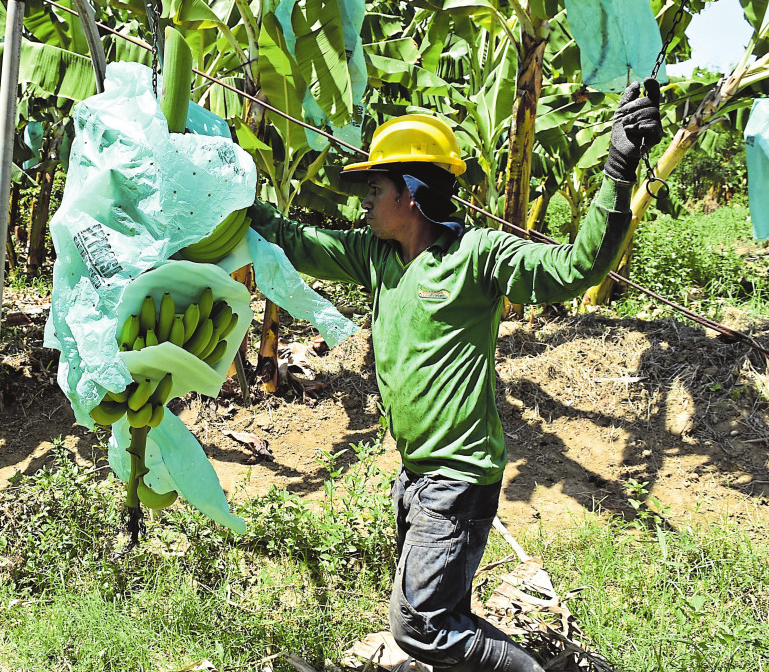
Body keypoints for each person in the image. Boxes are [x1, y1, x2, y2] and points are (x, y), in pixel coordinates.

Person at [246, 81, 663, 671]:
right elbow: (297, 242)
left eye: (374, 189)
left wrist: (619, 166)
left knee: (422, 627)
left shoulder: (477, 257)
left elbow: (577, 266)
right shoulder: (376, 256)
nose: (363, 203)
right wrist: (233, 200)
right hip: (417, 474)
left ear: (411, 194)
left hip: (457, 477)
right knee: (443, 619)